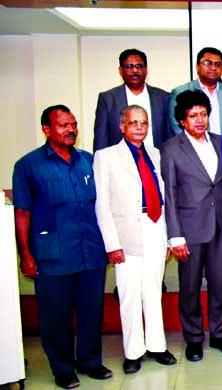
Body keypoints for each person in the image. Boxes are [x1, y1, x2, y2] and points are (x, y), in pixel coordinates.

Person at [13, 105, 113, 389]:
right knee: (55, 315)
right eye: (63, 125)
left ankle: (90, 361)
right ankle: (62, 368)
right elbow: (22, 212)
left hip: (90, 250)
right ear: (46, 129)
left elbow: (103, 206)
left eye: (73, 125)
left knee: (91, 310)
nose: (71, 130)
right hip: (52, 254)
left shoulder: (88, 161)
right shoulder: (28, 165)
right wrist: (26, 254)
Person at [93, 105, 176, 373]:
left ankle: (157, 346)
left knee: (153, 291)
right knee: (129, 294)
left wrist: (166, 239)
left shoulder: (155, 153)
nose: (139, 127)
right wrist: (112, 244)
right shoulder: (106, 157)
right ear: (122, 126)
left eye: (143, 122)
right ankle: (133, 352)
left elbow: (164, 200)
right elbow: (102, 205)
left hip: (154, 227)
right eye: (133, 122)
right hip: (125, 233)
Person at [160, 90, 222, 362]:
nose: (199, 120)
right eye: (193, 116)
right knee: (190, 287)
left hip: (219, 227)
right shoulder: (171, 149)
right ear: (182, 120)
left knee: (219, 285)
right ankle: (193, 338)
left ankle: (219, 335)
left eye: (203, 114)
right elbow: (169, 195)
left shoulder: (220, 142)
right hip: (190, 230)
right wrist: (175, 237)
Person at [94, 48, 172, 151]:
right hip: (120, 163)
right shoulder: (108, 99)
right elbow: (101, 141)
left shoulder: (163, 98)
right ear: (121, 70)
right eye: (129, 66)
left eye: (139, 66)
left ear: (146, 70)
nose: (135, 70)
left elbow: (170, 137)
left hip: (156, 161)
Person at [169, 47, 222, 136]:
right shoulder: (180, 92)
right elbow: (177, 126)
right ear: (197, 66)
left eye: (218, 64)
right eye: (207, 63)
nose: (213, 67)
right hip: (192, 148)